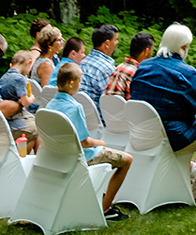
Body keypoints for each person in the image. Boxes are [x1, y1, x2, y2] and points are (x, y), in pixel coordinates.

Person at [129, 23, 196, 206]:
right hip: (174, 136)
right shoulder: (186, 72)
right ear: (184, 47)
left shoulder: (143, 66)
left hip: (143, 133)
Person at [44, 60, 133, 219]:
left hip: (59, 156)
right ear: (71, 83)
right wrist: (101, 142)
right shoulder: (75, 107)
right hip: (81, 156)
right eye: (79, 81)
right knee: (127, 160)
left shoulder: (49, 106)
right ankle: (106, 209)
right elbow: (84, 142)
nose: (80, 84)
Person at [0, 47, 38, 147]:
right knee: (37, 129)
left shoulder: (4, 76)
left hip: (5, 118)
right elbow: (25, 102)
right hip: (14, 118)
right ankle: (24, 160)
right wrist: (32, 98)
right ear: (28, 62)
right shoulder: (19, 79)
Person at [104, 31, 155, 99]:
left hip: (107, 108)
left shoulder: (118, 68)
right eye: (152, 50)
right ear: (146, 51)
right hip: (124, 109)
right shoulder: (138, 73)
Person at [79, 24, 119, 107]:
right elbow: (112, 103)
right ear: (107, 43)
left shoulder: (82, 63)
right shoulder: (107, 69)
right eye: (115, 40)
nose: (117, 42)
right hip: (99, 118)